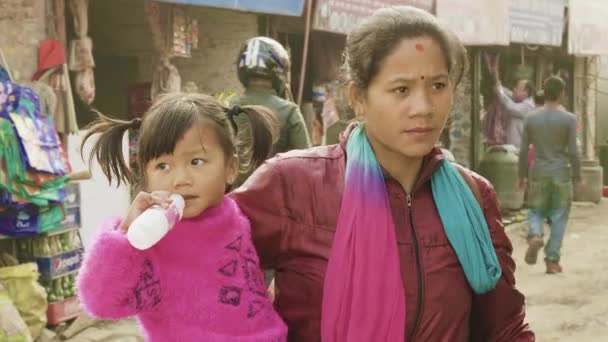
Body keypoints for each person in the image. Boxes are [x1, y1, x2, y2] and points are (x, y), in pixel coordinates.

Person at [232, 6, 534, 342]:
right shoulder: (292, 184)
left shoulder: (473, 196)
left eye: (438, 85)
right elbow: (198, 262)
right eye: (401, 90)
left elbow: (504, 327)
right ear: (358, 98)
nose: (423, 107)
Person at [76, 93, 287, 341]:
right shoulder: (150, 237)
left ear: (230, 168)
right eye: (163, 166)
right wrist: (126, 233)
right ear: (145, 174)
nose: (181, 180)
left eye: (196, 161)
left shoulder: (236, 214)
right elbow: (99, 302)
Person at [519, 76, 580, 274]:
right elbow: (573, 151)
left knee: (535, 211)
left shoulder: (531, 118)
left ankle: (535, 234)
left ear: (544, 93)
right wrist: (577, 175)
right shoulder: (569, 119)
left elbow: (522, 150)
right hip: (561, 173)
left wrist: (522, 175)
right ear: (562, 93)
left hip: (538, 171)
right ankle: (552, 261)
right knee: (559, 216)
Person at [234, 37, 311, 161]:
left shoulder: (228, 107)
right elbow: (306, 160)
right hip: (276, 180)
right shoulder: (289, 111)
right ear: (280, 72)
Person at [492, 68, 535, 149]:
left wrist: (499, 91)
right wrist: (498, 85)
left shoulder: (529, 106)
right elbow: (509, 94)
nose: (514, 89)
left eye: (517, 88)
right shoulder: (519, 100)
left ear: (525, 92)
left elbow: (511, 107)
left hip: (519, 148)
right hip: (513, 146)